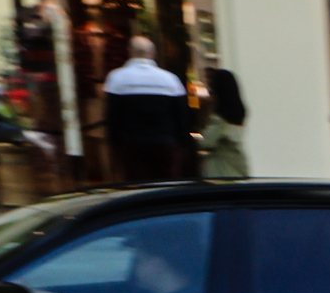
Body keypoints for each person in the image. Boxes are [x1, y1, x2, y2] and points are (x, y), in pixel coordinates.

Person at [102, 35, 190, 183]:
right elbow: (181, 117)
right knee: (166, 188)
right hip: (166, 144)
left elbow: (113, 117)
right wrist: (182, 147)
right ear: (152, 54)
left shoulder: (117, 78)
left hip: (132, 145)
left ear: (130, 52)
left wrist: (114, 146)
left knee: (137, 188)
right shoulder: (171, 80)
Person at [191, 68, 249, 179]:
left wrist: (193, 135)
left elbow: (205, 142)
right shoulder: (236, 114)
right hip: (237, 164)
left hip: (220, 169)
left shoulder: (219, 120)